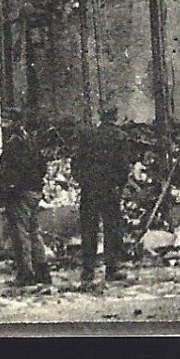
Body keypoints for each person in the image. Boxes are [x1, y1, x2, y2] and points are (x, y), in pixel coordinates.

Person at [73, 104, 133, 285]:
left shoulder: (89, 136)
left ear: (101, 117)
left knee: (88, 230)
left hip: (90, 190)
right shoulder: (120, 137)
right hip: (110, 190)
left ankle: (88, 270)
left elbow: (76, 162)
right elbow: (124, 166)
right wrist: (118, 184)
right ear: (114, 117)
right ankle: (111, 268)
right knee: (111, 229)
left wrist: (83, 181)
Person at [0, 108, 51, 287]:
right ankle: (42, 271)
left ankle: (26, 273)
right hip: (33, 191)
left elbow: (12, 172)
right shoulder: (30, 140)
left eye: (6, 120)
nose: (3, 123)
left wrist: (11, 189)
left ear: (14, 122)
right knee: (33, 231)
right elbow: (42, 166)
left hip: (20, 194)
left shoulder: (14, 143)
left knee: (20, 234)